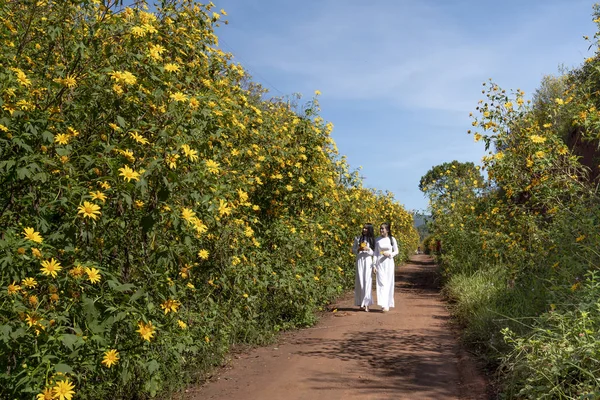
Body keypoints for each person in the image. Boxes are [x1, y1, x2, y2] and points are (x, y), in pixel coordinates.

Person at [374, 222, 398, 312]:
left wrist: (390, 254)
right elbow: (376, 253)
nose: (381, 230)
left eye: (382, 229)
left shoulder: (392, 239)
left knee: (388, 282)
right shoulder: (377, 240)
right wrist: (374, 265)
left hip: (389, 263)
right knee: (381, 283)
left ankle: (387, 303)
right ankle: (383, 304)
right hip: (380, 263)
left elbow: (396, 251)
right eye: (380, 228)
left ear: (387, 230)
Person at [352, 223, 375, 312]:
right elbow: (353, 250)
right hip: (360, 260)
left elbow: (374, 253)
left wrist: (368, 249)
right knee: (360, 281)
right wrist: (358, 249)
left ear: (370, 229)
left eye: (366, 228)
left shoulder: (372, 240)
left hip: (368, 261)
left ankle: (367, 304)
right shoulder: (358, 238)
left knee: (367, 281)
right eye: (363, 228)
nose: (364, 230)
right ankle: (361, 303)